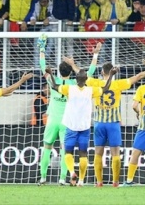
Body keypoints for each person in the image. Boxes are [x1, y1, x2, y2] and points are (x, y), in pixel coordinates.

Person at [38, 35, 100, 186]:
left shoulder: (53, 81)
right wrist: (95, 55)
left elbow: (43, 66)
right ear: (71, 72)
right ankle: (62, 179)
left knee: (47, 148)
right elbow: (89, 73)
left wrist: (42, 49)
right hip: (66, 122)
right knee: (65, 150)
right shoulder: (73, 84)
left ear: (59, 72)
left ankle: (43, 177)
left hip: (52, 119)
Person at [45, 67, 115, 187]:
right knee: (83, 154)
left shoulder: (69, 88)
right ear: (86, 79)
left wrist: (51, 74)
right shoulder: (90, 90)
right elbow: (106, 88)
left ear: (76, 79)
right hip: (84, 127)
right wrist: (112, 75)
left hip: (71, 125)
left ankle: (72, 172)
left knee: (68, 152)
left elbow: (54, 86)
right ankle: (81, 180)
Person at [88, 64, 145, 187]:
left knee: (98, 153)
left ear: (102, 72)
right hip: (113, 124)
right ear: (113, 72)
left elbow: (82, 76)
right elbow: (138, 76)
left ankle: (99, 182)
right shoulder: (118, 84)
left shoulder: (95, 83)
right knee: (115, 154)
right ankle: (115, 182)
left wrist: (73, 65)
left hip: (99, 123)